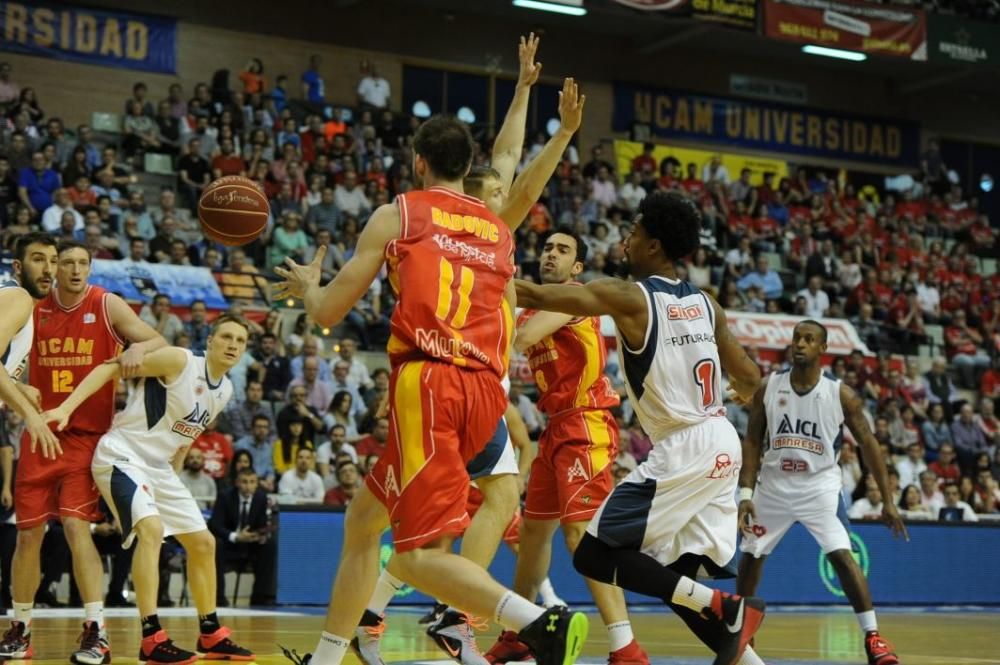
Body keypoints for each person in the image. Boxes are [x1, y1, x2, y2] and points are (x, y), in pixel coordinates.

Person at [274, 111, 588, 665]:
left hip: (429, 382)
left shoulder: (397, 214)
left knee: (418, 555)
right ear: (471, 168)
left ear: (418, 163)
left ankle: (539, 621)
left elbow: (326, 313)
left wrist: (308, 287)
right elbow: (515, 164)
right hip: (485, 393)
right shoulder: (498, 228)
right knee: (363, 522)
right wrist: (538, 112)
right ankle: (326, 658)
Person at [514, 190, 766, 665]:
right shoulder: (706, 303)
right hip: (720, 440)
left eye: (635, 232)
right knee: (678, 579)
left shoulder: (629, 296)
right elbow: (751, 378)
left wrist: (481, 273)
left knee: (592, 554)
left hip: (684, 447)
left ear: (653, 245)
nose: (626, 240)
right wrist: (735, 394)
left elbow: (535, 295)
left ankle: (726, 607)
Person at [41, 315, 255, 663]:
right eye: (226, 337)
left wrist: (175, 468)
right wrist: (66, 407)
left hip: (159, 468)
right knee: (151, 530)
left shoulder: (226, 390)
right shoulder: (180, 360)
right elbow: (111, 368)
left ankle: (210, 632)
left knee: (203, 543)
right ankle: (151, 637)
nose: (233, 345)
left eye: (240, 341)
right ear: (211, 340)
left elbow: (187, 434)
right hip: (121, 455)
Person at [486, 227, 647, 665]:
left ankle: (625, 646)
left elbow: (518, 339)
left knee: (580, 535)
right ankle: (520, 631)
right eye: (547, 248)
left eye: (562, 250)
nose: (551, 254)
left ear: (577, 266)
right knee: (535, 533)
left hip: (586, 424)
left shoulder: (573, 296)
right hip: (556, 428)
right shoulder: (531, 308)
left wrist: (494, 279)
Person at [3, 238, 167, 664]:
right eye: (65, 263)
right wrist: (21, 387)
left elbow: (155, 339)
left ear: (89, 269)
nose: (74, 270)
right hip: (39, 434)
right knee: (27, 535)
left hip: (87, 438)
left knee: (77, 529)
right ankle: (20, 627)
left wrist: (136, 347)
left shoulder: (106, 304)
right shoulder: (30, 306)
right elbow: (8, 370)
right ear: (53, 270)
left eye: (81, 263)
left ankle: (96, 631)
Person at [735, 320, 907, 665]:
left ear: (822, 348)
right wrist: (745, 493)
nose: (800, 344)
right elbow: (753, 440)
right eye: (797, 338)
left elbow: (869, 444)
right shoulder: (770, 386)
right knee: (752, 557)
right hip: (774, 485)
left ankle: (873, 638)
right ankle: (740, 632)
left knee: (842, 555)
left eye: (809, 339)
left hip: (819, 486)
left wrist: (888, 500)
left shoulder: (840, 394)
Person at [209, 467, 277, 607]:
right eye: (244, 482)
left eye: (252, 482)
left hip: (250, 543)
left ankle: (260, 598)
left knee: (269, 544)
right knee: (217, 545)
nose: (248, 486)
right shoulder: (225, 496)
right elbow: (215, 524)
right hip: (229, 543)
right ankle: (219, 599)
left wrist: (258, 535)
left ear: (257, 484)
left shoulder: (261, 498)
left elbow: (262, 524)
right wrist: (236, 536)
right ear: (237, 483)